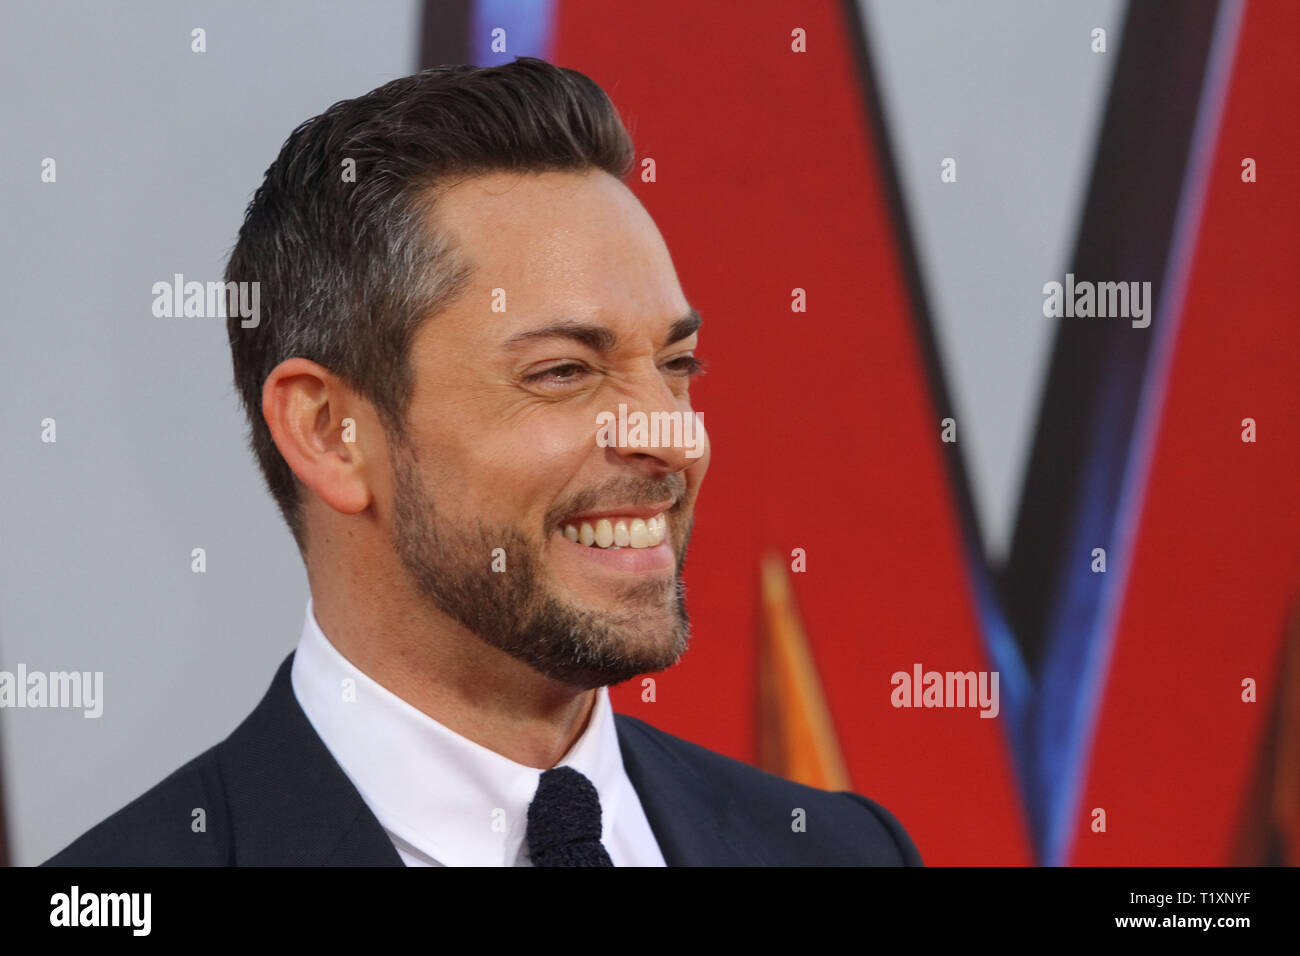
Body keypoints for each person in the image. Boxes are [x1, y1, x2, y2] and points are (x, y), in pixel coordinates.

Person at [45, 57, 920, 867]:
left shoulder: (842, 850)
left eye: (676, 366)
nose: (670, 437)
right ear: (326, 432)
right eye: (564, 373)